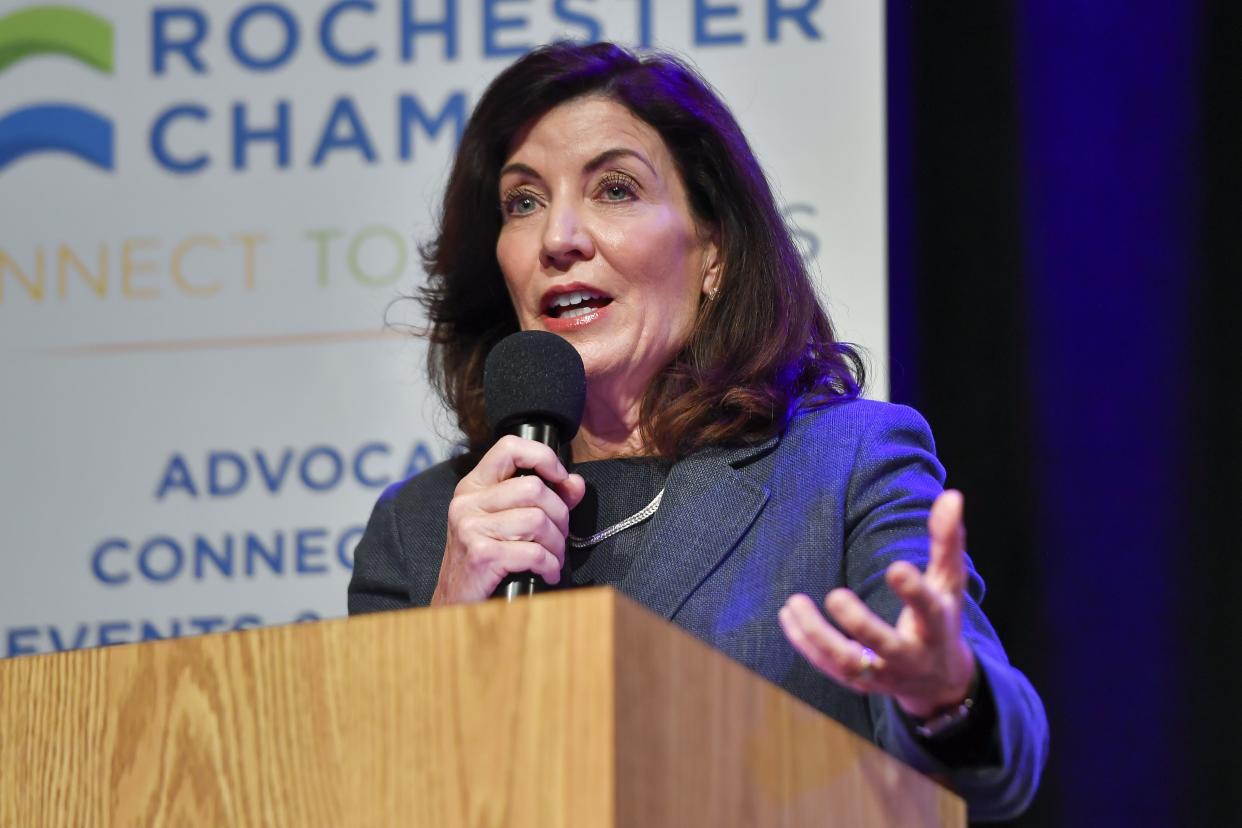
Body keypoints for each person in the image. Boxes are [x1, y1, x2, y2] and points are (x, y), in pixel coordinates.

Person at [348, 41, 1047, 821]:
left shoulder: (841, 466)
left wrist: (944, 693)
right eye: (523, 202)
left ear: (712, 252)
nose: (558, 238)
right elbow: (358, 797)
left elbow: (999, 769)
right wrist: (446, 640)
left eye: (615, 189)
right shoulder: (417, 532)